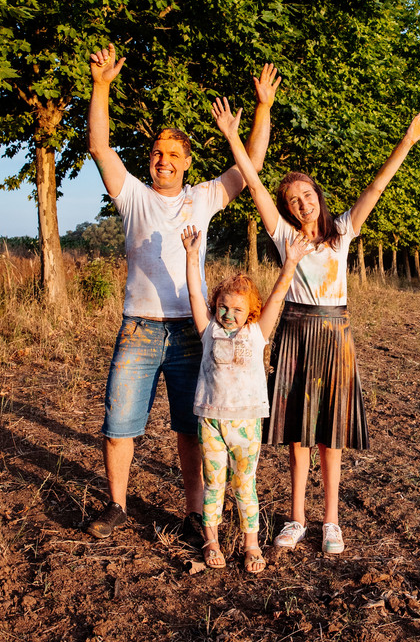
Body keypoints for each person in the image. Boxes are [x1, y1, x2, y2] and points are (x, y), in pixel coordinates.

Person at [210, 96, 420, 554]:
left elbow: (376, 187)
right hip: (294, 335)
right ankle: (296, 519)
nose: (301, 203)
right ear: (288, 209)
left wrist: (406, 142)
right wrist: (233, 135)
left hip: (335, 337)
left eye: (307, 195)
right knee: (297, 435)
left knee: (331, 435)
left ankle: (331, 522)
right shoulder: (284, 235)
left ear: (318, 198)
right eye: (293, 200)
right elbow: (253, 185)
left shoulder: (343, 231)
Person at [85, 44, 281, 541]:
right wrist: (102, 86)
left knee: (191, 426)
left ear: (188, 163)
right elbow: (100, 149)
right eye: (157, 152)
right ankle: (116, 506)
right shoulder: (131, 195)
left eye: (174, 154)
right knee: (120, 419)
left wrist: (261, 109)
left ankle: (195, 513)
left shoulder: (203, 198)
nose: (163, 159)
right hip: (139, 327)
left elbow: (250, 165)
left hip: (195, 333)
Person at [180, 224, 308, 573]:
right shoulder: (209, 330)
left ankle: (251, 544)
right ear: (216, 306)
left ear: (251, 311)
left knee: (244, 484)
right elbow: (194, 295)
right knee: (214, 483)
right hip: (211, 418)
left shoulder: (256, 332)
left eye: (238, 309)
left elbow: (279, 296)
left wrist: (291, 262)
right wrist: (192, 257)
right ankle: (211, 540)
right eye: (223, 307)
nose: (229, 315)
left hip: (247, 421)